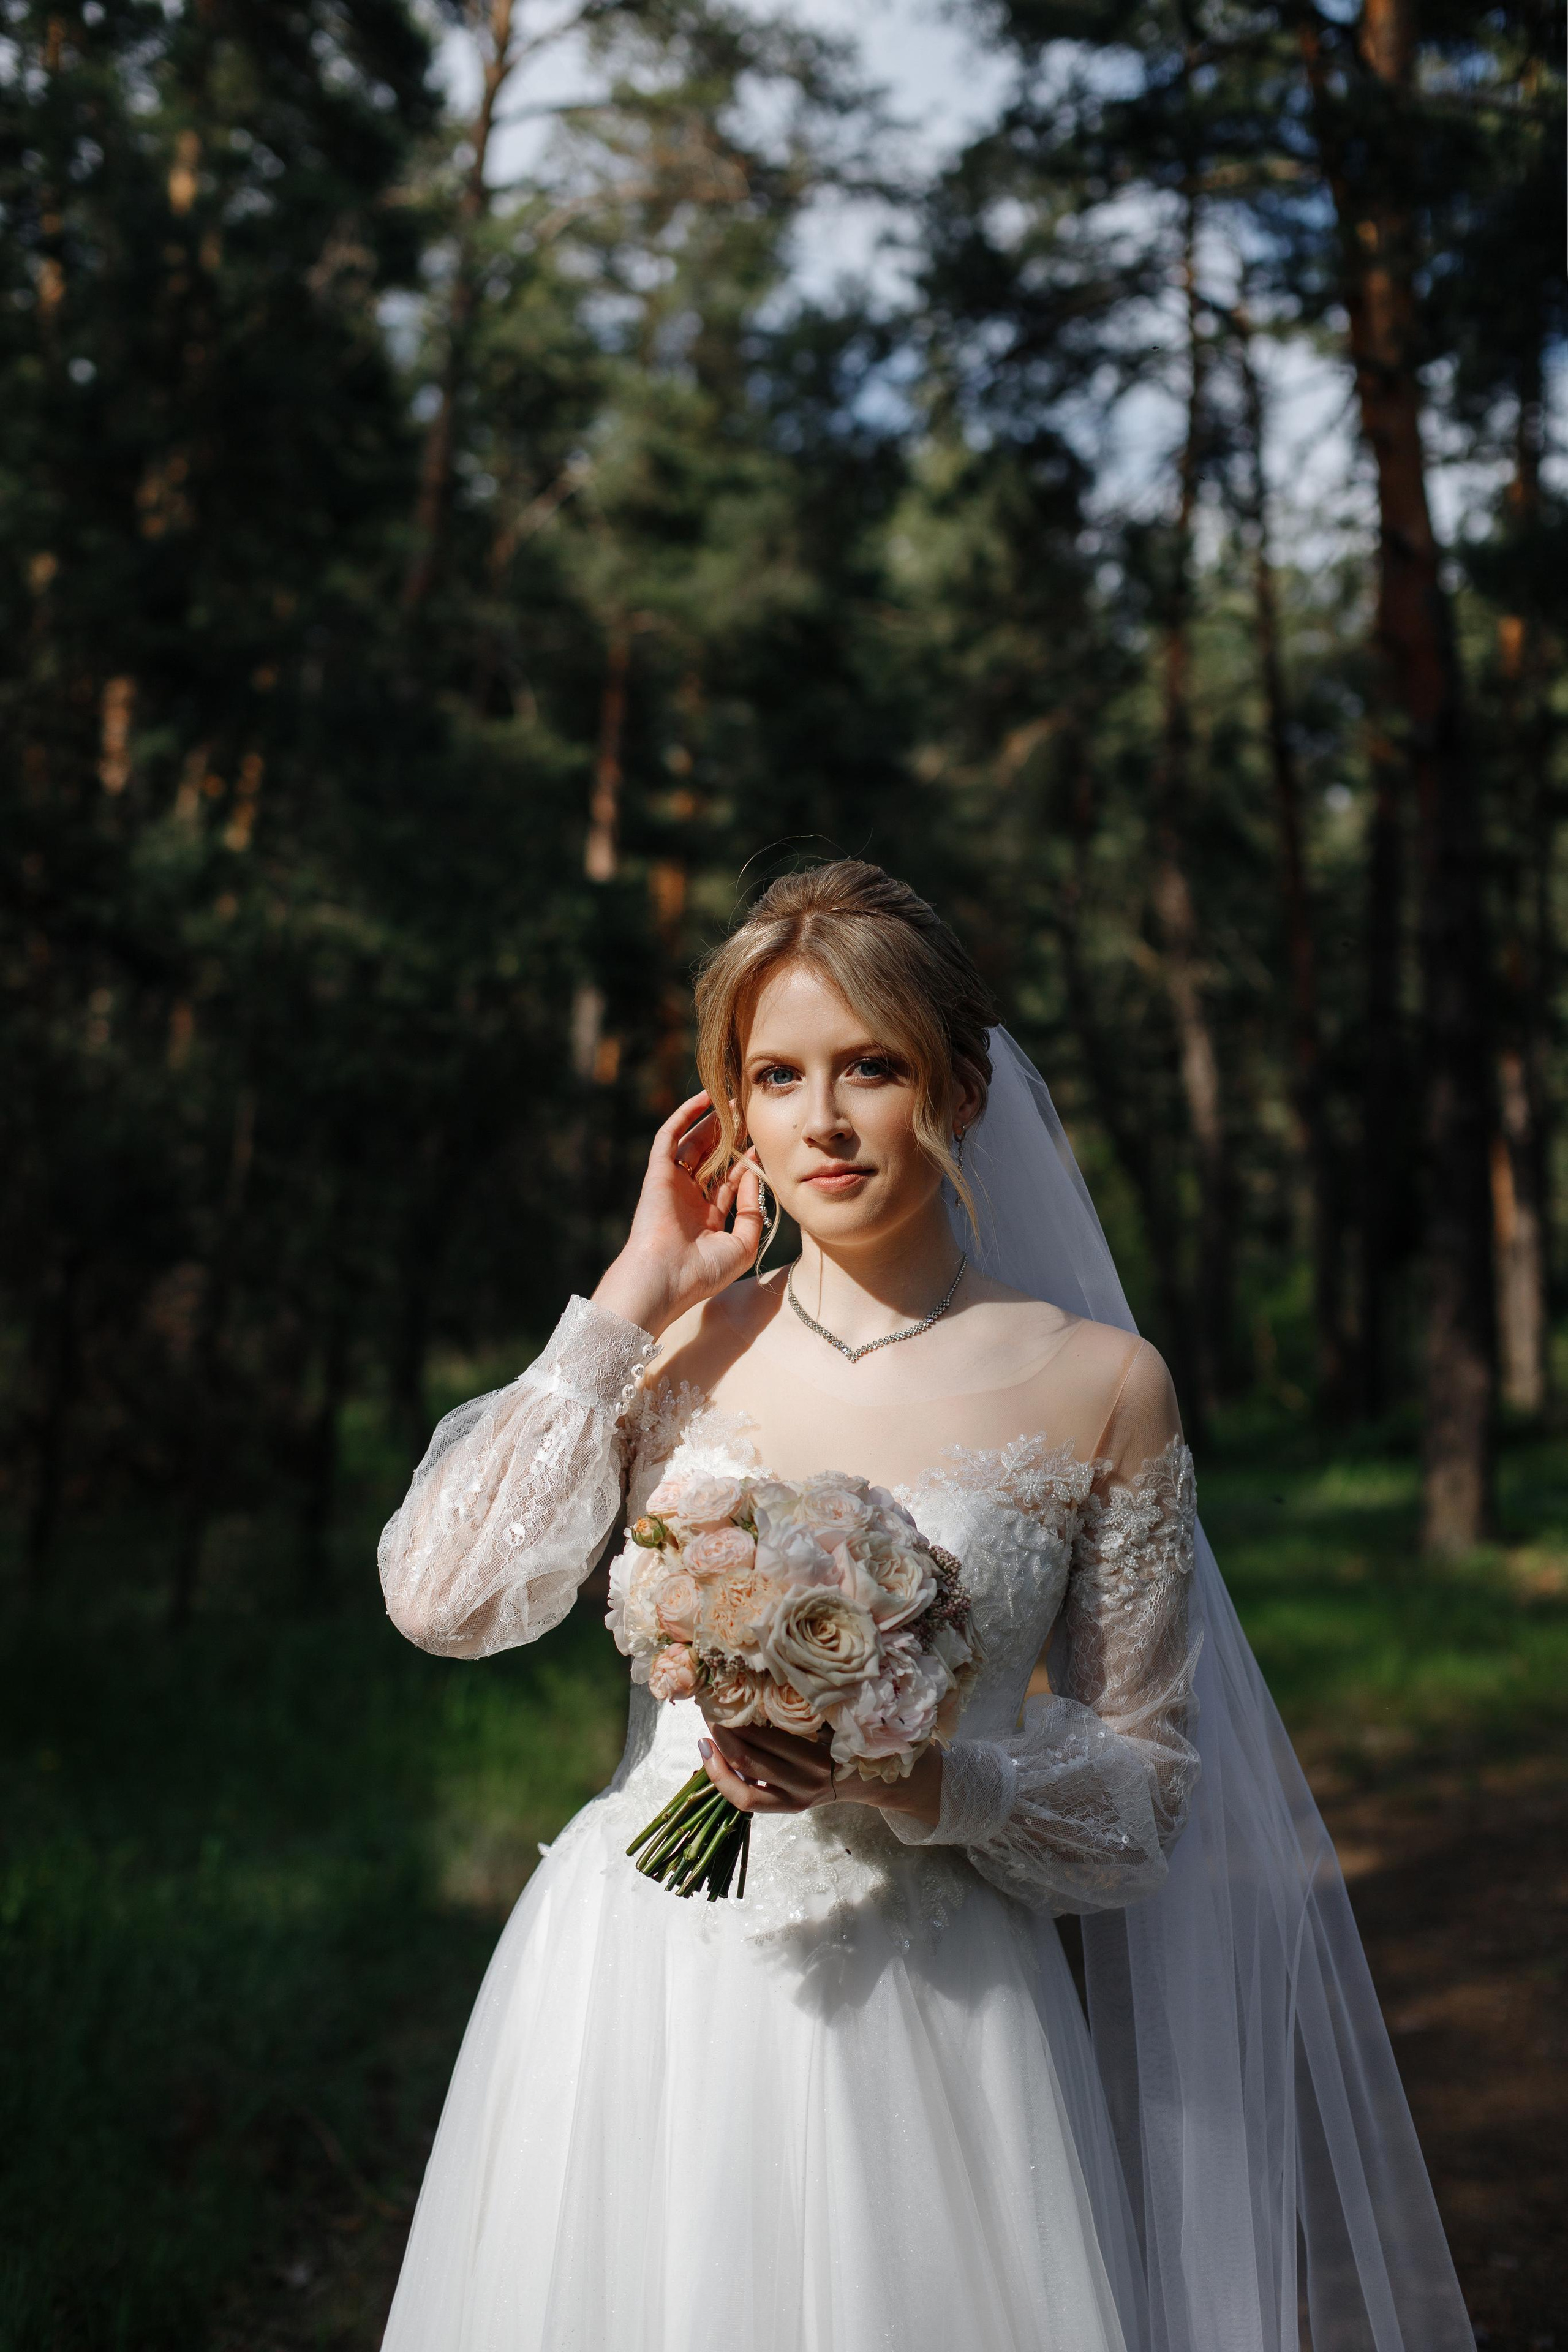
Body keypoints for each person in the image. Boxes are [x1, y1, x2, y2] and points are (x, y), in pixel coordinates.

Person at [377, 862, 1471, 2352]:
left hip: (933, 2011)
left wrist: (916, 1776)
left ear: (956, 1089)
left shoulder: (1099, 1383)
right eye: (776, 1076)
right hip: (634, 1991)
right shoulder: (671, 1350)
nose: (821, 1120)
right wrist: (632, 1288)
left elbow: (1144, 1800)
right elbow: (443, 1599)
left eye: (870, 1068)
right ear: (731, 1110)